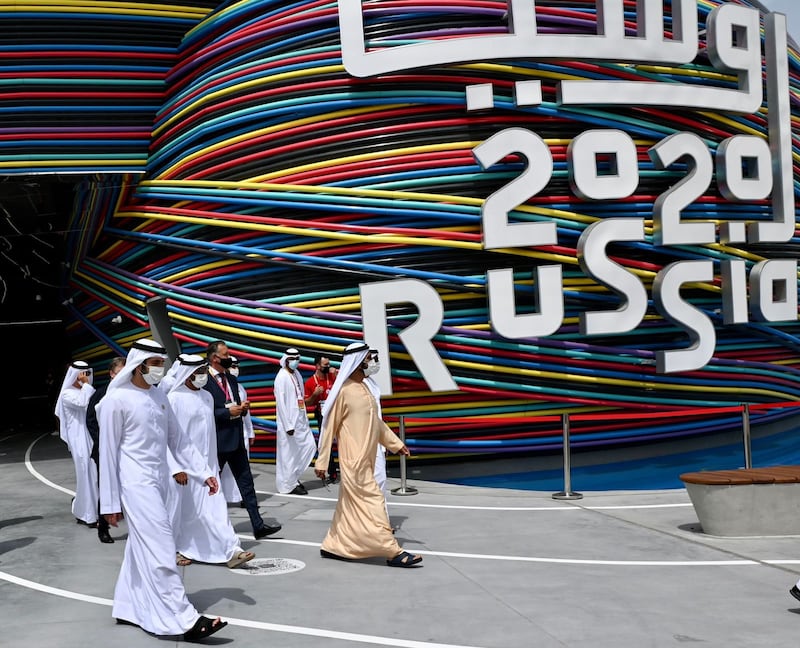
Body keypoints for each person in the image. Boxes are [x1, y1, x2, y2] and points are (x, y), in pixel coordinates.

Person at [97, 338, 227, 641]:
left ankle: (128, 606)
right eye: (156, 364)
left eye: (162, 363)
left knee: (141, 547)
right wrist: (110, 504)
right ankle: (184, 620)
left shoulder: (159, 397)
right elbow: (107, 453)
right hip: (135, 484)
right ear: (140, 364)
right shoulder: (117, 400)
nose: (161, 369)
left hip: (161, 481)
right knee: (161, 548)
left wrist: (203, 472)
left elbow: (178, 440)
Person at [314, 342, 422, 568]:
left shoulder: (364, 388)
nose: (370, 364)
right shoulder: (343, 392)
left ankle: (334, 545)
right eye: (366, 360)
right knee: (374, 500)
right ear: (356, 363)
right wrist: (322, 461)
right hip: (354, 461)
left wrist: (396, 444)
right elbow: (328, 428)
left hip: (368, 457)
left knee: (349, 507)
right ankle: (392, 552)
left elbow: (377, 424)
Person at [165, 354, 255, 569]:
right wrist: (175, 468)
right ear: (187, 374)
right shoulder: (174, 399)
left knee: (216, 509)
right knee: (183, 513)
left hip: (208, 466)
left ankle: (232, 549)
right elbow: (168, 438)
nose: (203, 376)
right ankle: (177, 548)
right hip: (184, 468)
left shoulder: (206, 396)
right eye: (199, 372)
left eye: (204, 371)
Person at [205, 340, 281, 539]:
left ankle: (258, 525)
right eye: (225, 354)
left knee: (247, 484)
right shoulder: (203, 380)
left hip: (236, 439)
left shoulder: (230, 378)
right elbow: (204, 411)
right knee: (210, 486)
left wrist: (241, 408)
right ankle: (206, 526)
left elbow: (233, 402)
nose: (229, 358)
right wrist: (227, 412)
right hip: (218, 442)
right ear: (214, 358)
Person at [85, 355, 126, 543]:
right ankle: (103, 526)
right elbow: (91, 422)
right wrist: (104, 442)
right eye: (119, 372)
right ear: (111, 374)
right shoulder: (101, 394)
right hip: (104, 451)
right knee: (107, 488)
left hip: (128, 452)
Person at [55, 360, 98, 527]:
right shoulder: (67, 394)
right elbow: (83, 403)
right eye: (82, 375)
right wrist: (87, 385)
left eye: (87, 374)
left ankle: (88, 511)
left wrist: (87, 386)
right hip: (79, 440)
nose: (85, 378)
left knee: (93, 475)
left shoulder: (86, 391)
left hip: (90, 438)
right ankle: (88, 514)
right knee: (87, 475)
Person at [274, 348, 317, 495]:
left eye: (297, 358)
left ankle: (293, 477)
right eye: (292, 359)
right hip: (289, 423)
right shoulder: (281, 377)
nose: (295, 361)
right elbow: (281, 403)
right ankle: (289, 484)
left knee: (309, 446)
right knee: (288, 454)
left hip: (301, 419)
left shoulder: (297, 374)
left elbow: (300, 397)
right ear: (286, 360)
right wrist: (288, 425)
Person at [219, 355, 254, 505]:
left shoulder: (239, 387)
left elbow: (247, 414)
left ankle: (243, 498)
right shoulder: (218, 385)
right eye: (232, 366)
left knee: (243, 470)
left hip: (240, 432)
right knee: (225, 471)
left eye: (237, 366)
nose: (235, 369)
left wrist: (250, 431)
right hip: (225, 433)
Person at [304, 354, 338, 482]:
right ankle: (332, 471)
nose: (328, 367)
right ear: (317, 366)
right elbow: (307, 402)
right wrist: (314, 395)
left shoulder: (333, 376)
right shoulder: (310, 382)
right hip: (322, 415)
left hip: (336, 413)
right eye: (325, 365)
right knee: (325, 443)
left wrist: (336, 375)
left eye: (329, 364)